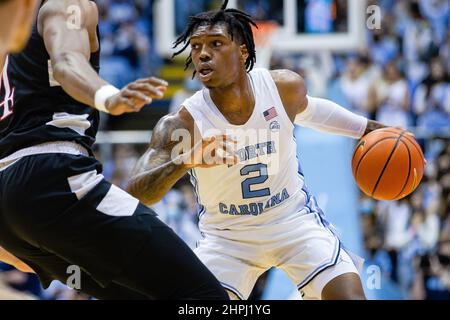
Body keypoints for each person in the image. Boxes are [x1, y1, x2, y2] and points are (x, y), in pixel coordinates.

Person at [127, 0, 390, 300]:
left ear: (243, 51)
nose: (202, 53)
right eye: (196, 45)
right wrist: (185, 161)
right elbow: (136, 193)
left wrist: (366, 128)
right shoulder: (183, 122)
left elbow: (313, 111)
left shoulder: (282, 88)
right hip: (227, 241)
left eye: (215, 43)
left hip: (293, 224)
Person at [0, 0, 228, 300]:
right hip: (53, 180)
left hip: (10, 205)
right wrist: (109, 97)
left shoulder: (11, 34)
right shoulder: (67, 4)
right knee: (205, 297)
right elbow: (67, 61)